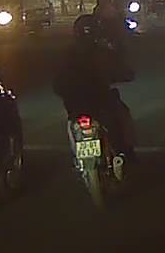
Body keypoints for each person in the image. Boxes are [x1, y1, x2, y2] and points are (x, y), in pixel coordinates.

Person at [54, 14, 137, 163]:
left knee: (75, 122)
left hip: (76, 105)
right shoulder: (102, 52)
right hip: (97, 101)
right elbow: (123, 71)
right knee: (121, 115)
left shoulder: (67, 54)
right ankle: (125, 153)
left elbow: (57, 83)